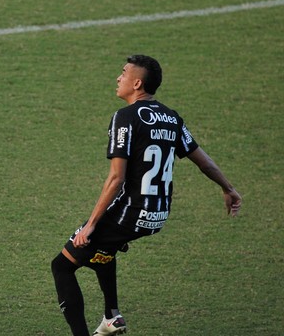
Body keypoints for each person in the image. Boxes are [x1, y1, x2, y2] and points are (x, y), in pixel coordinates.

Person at [50, 55, 242, 336]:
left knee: (62, 266)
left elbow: (116, 178)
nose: (118, 77)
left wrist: (90, 224)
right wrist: (229, 188)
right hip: (158, 215)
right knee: (103, 248)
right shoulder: (172, 118)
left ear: (137, 83)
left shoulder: (125, 117)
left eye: (124, 73)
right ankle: (111, 316)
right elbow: (205, 162)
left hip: (130, 211)